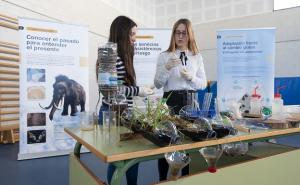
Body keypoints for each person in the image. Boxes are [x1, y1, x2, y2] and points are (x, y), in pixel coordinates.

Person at [96, 15, 154, 185]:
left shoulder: (122, 55)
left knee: (132, 157)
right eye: (132, 34)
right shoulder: (108, 54)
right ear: (122, 34)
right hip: (112, 115)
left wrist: (139, 90)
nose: (135, 39)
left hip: (124, 114)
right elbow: (109, 91)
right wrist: (139, 90)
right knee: (118, 160)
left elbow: (120, 86)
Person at [153, 18, 207, 181]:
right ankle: (162, 179)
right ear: (173, 34)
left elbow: (203, 83)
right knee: (166, 142)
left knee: (188, 144)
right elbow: (157, 83)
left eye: (184, 33)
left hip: (191, 101)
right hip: (170, 101)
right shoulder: (164, 56)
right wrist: (167, 68)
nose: (180, 36)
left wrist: (192, 78)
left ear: (190, 35)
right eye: (177, 32)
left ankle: (186, 179)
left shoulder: (196, 57)